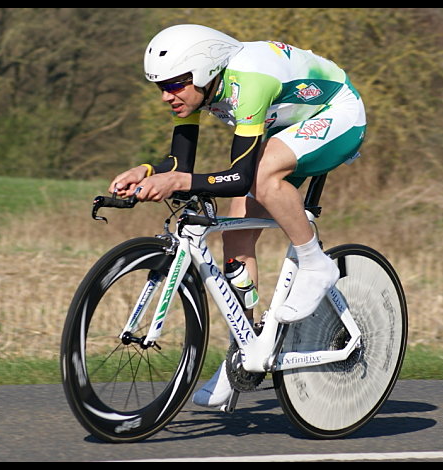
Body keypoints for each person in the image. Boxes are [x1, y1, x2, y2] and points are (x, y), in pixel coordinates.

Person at [108, 24, 367, 409]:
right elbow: (181, 161)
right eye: (160, 86)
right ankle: (243, 354)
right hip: (288, 128)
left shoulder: (249, 80)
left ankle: (316, 264)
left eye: (175, 84)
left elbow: (240, 176)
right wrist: (148, 171)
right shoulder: (198, 91)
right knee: (236, 236)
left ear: (204, 71)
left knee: (262, 177)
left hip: (339, 114)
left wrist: (179, 181)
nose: (166, 96)